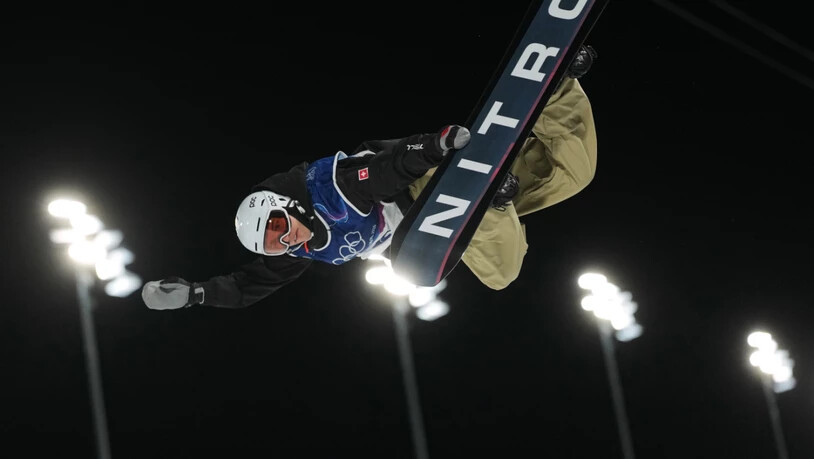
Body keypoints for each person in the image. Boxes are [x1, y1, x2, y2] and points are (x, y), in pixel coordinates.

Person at [142, 45, 599, 310]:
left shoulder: (331, 191)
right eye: (277, 244)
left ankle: (488, 198)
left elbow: (386, 170)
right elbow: (250, 285)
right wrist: (196, 294)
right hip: (425, 227)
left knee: (501, 272)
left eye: (280, 226)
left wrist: (435, 146)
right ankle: (558, 88)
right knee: (573, 175)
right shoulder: (301, 249)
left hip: (419, 188)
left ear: (286, 206)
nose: (288, 239)